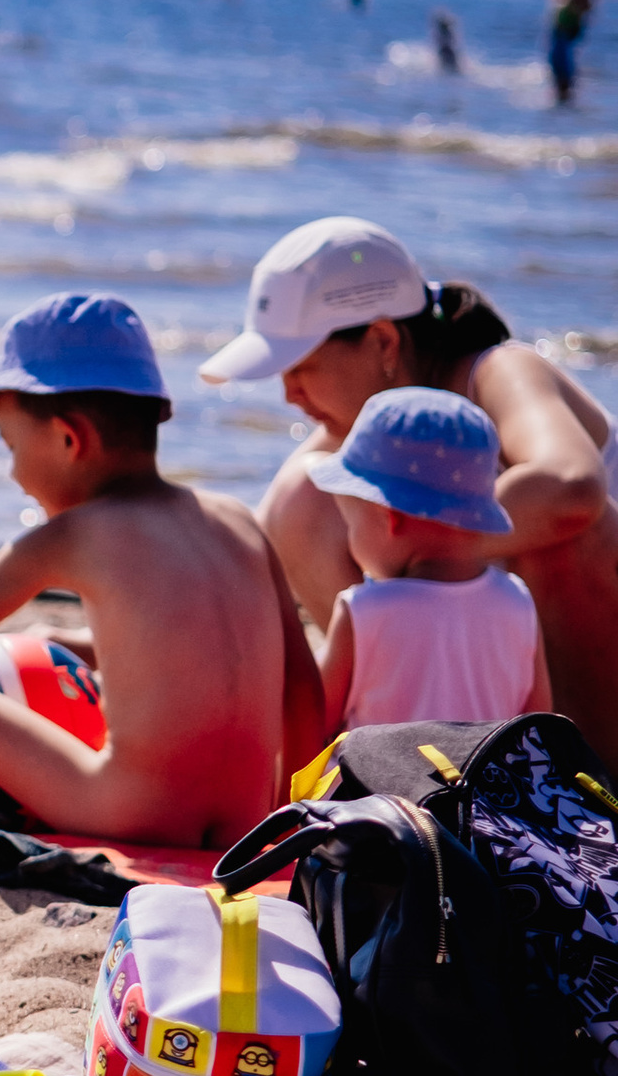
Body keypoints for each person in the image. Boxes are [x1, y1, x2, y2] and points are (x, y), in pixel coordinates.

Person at [202, 213, 618, 760]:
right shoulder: (365, 433)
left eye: (300, 366)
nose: (288, 394)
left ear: (382, 341)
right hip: (487, 704)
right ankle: (407, 753)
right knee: (296, 501)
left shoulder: (498, 371)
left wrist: (430, 555)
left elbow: (573, 488)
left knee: (561, 534)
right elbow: (258, 570)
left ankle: (590, 779)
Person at [0, 294, 320, 848]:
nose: (12, 473)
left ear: (68, 438)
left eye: (10, 446)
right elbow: (301, 688)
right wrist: (282, 817)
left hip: (132, 813)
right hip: (246, 819)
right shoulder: (237, 519)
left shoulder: (71, 537)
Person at [308, 390, 548, 734]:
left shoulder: (363, 611)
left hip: (379, 788)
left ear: (389, 518)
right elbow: (537, 724)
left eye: (352, 522)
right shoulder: (518, 601)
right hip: (486, 788)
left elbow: (313, 721)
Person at [548, 0, 594, 107]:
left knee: (562, 65)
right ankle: (563, 101)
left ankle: (564, 99)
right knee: (559, 64)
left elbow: (585, 6)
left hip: (566, 33)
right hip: (563, 33)